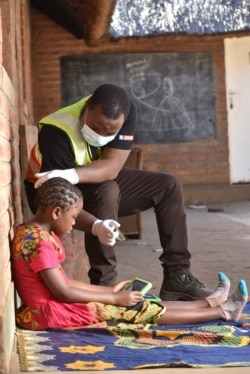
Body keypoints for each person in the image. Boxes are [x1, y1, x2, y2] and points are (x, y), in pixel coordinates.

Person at [25, 83, 210, 300]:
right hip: (48, 193)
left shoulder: (126, 113)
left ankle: (177, 276)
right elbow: (55, 204)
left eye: (110, 132)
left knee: (168, 186)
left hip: (84, 177)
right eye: (94, 126)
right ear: (86, 109)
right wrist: (96, 225)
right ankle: (105, 286)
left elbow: (112, 166)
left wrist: (73, 174)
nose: (101, 134)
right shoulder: (56, 130)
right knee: (107, 190)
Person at [11, 178, 248, 331]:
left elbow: (62, 282)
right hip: (51, 312)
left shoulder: (30, 233)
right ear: (56, 212)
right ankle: (222, 311)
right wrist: (114, 300)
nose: (74, 224)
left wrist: (108, 291)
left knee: (139, 301)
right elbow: (62, 291)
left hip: (51, 305)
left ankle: (207, 302)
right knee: (135, 309)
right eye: (73, 217)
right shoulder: (39, 243)